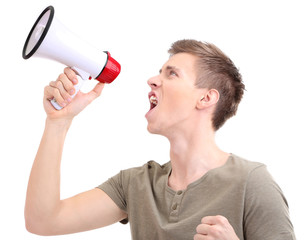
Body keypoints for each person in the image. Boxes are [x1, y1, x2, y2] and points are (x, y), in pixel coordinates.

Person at [25, 39, 296, 240]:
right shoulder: (135, 185)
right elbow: (42, 221)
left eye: (171, 73)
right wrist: (57, 123)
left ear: (206, 98)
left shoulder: (253, 182)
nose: (152, 80)